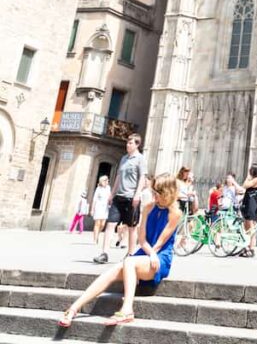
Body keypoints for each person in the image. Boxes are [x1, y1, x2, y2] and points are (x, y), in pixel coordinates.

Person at [57, 172, 181, 329]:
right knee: (112, 272)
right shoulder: (148, 208)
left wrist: (153, 255)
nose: (153, 195)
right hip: (145, 253)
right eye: (153, 191)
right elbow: (141, 240)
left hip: (160, 257)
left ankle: (127, 310)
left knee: (128, 261)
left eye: (157, 192)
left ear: (167, 193)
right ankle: (73, 308)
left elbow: (160, 242)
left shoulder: (175, 213)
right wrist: (148, 254)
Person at [94, 134, 146, 263]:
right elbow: (118, 177)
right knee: (110, 224)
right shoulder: (124, 158)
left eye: (130, 143)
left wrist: (137, 194)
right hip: (119, 197)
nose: (127, 145)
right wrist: (112, 194)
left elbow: (142, 178)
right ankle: (104, 253)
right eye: (127, 143)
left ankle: (130, 254)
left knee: (131, 227)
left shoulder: (140, 159)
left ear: (137, 145)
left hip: (131, 198)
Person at [240, 164, 257, 257]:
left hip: (251, 204)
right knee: (246, 226)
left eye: (250, 169)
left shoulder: (255, 179)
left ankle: (251, 248)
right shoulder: (255, 179)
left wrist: (247, 177)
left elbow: (245, 185)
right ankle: (247, 247)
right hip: (249, 203)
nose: (249, 170)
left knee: (251, 227)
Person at [91, 175, 110, 249]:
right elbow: (94, 199)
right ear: (102, 181)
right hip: (98, 207)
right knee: (97, 223)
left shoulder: (108, 188)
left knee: (102, 224)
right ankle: (95, 239)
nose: (107, 181)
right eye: (106, 180)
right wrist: (92, 209)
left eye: (107, 180)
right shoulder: (98, 189)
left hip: (105, 208)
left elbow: (109, 197)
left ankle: (98, 234)